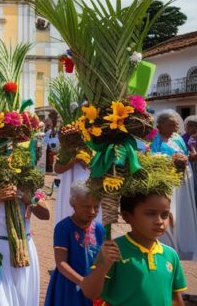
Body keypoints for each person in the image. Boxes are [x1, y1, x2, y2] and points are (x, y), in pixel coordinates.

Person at [80, 192, 187, 305]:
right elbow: (90, 293)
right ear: (127, 216)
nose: (160, 221)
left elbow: (175, 299)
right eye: (150, 213)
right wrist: (102, 265)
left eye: (165, 214)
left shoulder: (171, 255)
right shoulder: (113, 250)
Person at [45, 181, 104, 306]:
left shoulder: (99, 229)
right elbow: (61, 263)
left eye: (96, 207)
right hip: (70, 285)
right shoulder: (64, 227)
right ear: (73, 204)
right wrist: (83, 282)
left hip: (92, 286)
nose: (92, 211)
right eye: (86, 206)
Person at [150, 110, 197, 261]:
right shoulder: (155, 139)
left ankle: (183, 244)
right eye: (172, 125)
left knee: (182, 212)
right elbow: (150, 157)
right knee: (168, 212)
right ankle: (166, 244)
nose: (175, 129)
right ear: (160, 126)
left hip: (182, 182)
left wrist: (186, 159)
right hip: (165, 181)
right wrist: (170, 160)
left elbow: (184, 153)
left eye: (177, 125)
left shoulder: (178, 138)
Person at [53, 151, 98, 224]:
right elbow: (57, 169)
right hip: (69, 190)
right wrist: (75, 160)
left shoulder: (98, 147)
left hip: (92, 188)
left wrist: (90, 162)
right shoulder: (69, 147)